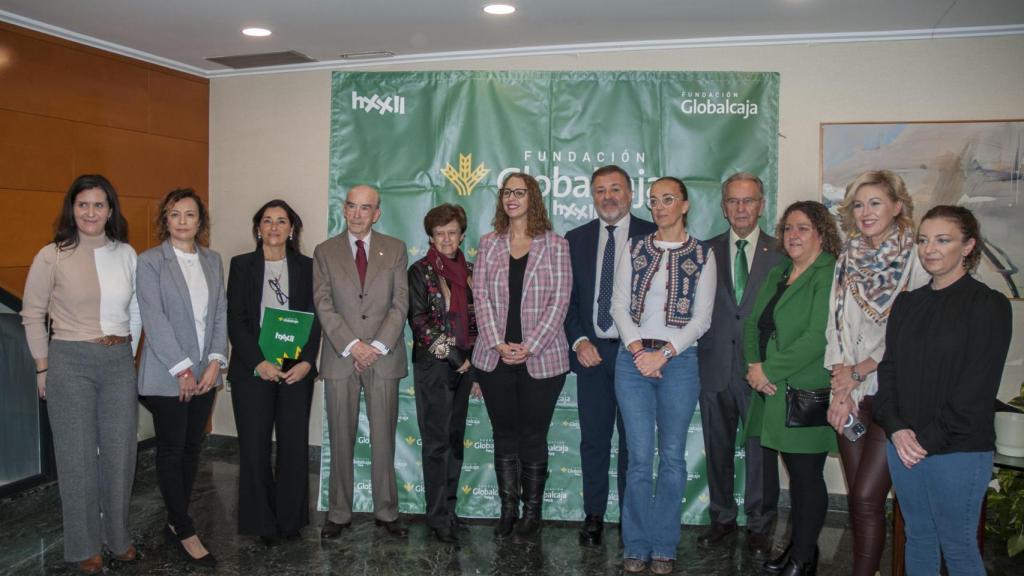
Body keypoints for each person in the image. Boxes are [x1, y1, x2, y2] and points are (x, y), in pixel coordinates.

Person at [875, 205, 1012, 576]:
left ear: (967, 246)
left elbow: (976, 388)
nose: (930, 249)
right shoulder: (907, 303)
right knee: (917, 538)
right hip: (904, 445)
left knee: (958, 546)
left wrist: (923, 441)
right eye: (923, 240)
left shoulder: (988, 306)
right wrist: (896, 428)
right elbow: (888, 371)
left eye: (943, 240)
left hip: (958, 449)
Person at [21, 174, 141, 575]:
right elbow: (32, 314)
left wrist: (130, 354)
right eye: (83, 204)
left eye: (99, 205)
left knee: (121, 453)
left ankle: (118, 537)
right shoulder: (52, 255)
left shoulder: (126, 253)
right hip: (69, 361)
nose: (91, 212)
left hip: (118, 360)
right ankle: (84, 544)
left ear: (111, 210)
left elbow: (135, 311)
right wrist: (43, 366)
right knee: (77, 459)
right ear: (72, 208)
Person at [610, 177, 717, 575]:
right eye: (654, 201)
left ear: (685, 205)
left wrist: (665, 354)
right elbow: (619, 306)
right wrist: (640, 352)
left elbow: (702, 319)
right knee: (638, 458)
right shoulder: (635, 248)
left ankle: (664, 545)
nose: (659, 207)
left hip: (680, 362)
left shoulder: (703, 253)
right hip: (633, 360)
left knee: (671, 457)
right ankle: (635, 544)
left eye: (668, 200)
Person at [824, 170, 928, 576]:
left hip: (891, 393)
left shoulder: (916, 259)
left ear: (897, 207)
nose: (865, 212)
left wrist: (860, 370)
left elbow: (911, 333)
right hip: (850, 392)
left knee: (868, 496)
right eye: (859, 204)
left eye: (875, 203)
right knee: (858, 500)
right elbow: (833, 324)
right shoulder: (846, 258)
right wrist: (840, 384)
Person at [743, 200, 841, 576]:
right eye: (788, 228)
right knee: (794, 478)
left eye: (803, 228)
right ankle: (799, 550)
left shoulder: (827, 273)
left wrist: (767, 369)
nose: (793, 235)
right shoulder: (780, 272)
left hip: (802, 392)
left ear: (821, 233)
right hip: (770, 390)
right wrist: (755, 368)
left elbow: (817, 339)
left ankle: (803, 557)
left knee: (805, 478)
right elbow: (752, 323)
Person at [472, 172, 571, 541]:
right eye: (507, 192)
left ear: (534, 198)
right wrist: (498, 343)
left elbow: (560, 301)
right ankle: (508, 510)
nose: (511, 198)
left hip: (542, 359)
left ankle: (532, 514)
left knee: (533, 436)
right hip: (495, 357)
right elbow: (479, 298)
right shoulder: (489, 243)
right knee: (503, 435)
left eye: (520, 192)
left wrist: (529, 346)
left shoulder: (555, 245)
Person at [564, 165, 656, 546]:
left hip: (637, 356)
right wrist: (578, 340)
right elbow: (566, 302)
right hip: (593, 355)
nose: (608, 197)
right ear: (593, 196)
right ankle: (594, 516)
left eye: (615, 189)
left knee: (635, 442)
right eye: (600, 190)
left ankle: (631, 519)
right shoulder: (576, 239)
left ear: (630, 194)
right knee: (595, 440)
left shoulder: (652, 236)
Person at [314, 185, 410, 538]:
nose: (356, 214)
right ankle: (339, 513)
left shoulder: (396, 249)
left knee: (384, 438)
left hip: (384, 359)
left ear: (377, 213)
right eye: (351, 206)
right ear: (344, 209)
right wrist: (353, 345)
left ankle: (387, 512)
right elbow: (323, 303)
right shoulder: (325, 252)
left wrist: (377, 346)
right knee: (341, 437)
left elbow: (400, 304)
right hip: (341, 358)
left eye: (365, 208)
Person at [137, 188, 226, 566]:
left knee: (192, 448)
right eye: (175, 214)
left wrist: (215, 362)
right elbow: (154, 320)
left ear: (200, 221)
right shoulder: (150, 261)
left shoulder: (212, 259)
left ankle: (176, 519)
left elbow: (219, 312)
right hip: (166, 374)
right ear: (166, 220)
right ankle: (185, 529)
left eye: (190, 215)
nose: (183, 221)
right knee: (172, 450)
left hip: (206, 374)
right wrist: (183, 368)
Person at [696, 172, 782, 555]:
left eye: (748, 200)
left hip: (759, 369)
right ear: (723, 206)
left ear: (761, 204)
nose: (741, 208)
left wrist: (770, 363)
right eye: (733, 201)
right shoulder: (704, 251)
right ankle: (722, 519)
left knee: (762, 450)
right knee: (717, 448)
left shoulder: (781, 252)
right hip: (714, 365)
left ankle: (761, 524)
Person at [227, 199, 322, 543]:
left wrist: (308, 362)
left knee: (294, 445)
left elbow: (316, 319)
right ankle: (260, 523)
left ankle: (289, 521)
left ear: (292, 229)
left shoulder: (309, 267)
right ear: (258, 228)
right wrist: (258, 363)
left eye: (281, 221)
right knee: (254, 447)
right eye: (267, 221)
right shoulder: (241, 266)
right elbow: (235, 321)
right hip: (253, 367)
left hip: (296, 368)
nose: (274, 227)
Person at [407, 203, 480, 544]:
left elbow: (480, 320)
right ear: (431, 238)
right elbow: (419, 323)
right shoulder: (419, 272)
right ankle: (436, 517)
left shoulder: (471, 271)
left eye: (452, 232)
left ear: (462, 234)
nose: (447, 238)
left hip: (467, 366)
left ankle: (450, 510)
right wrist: (454, 357)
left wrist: (473, 364)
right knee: (436, 444)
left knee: (455, 442)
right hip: (435, 367)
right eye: (440, 233)